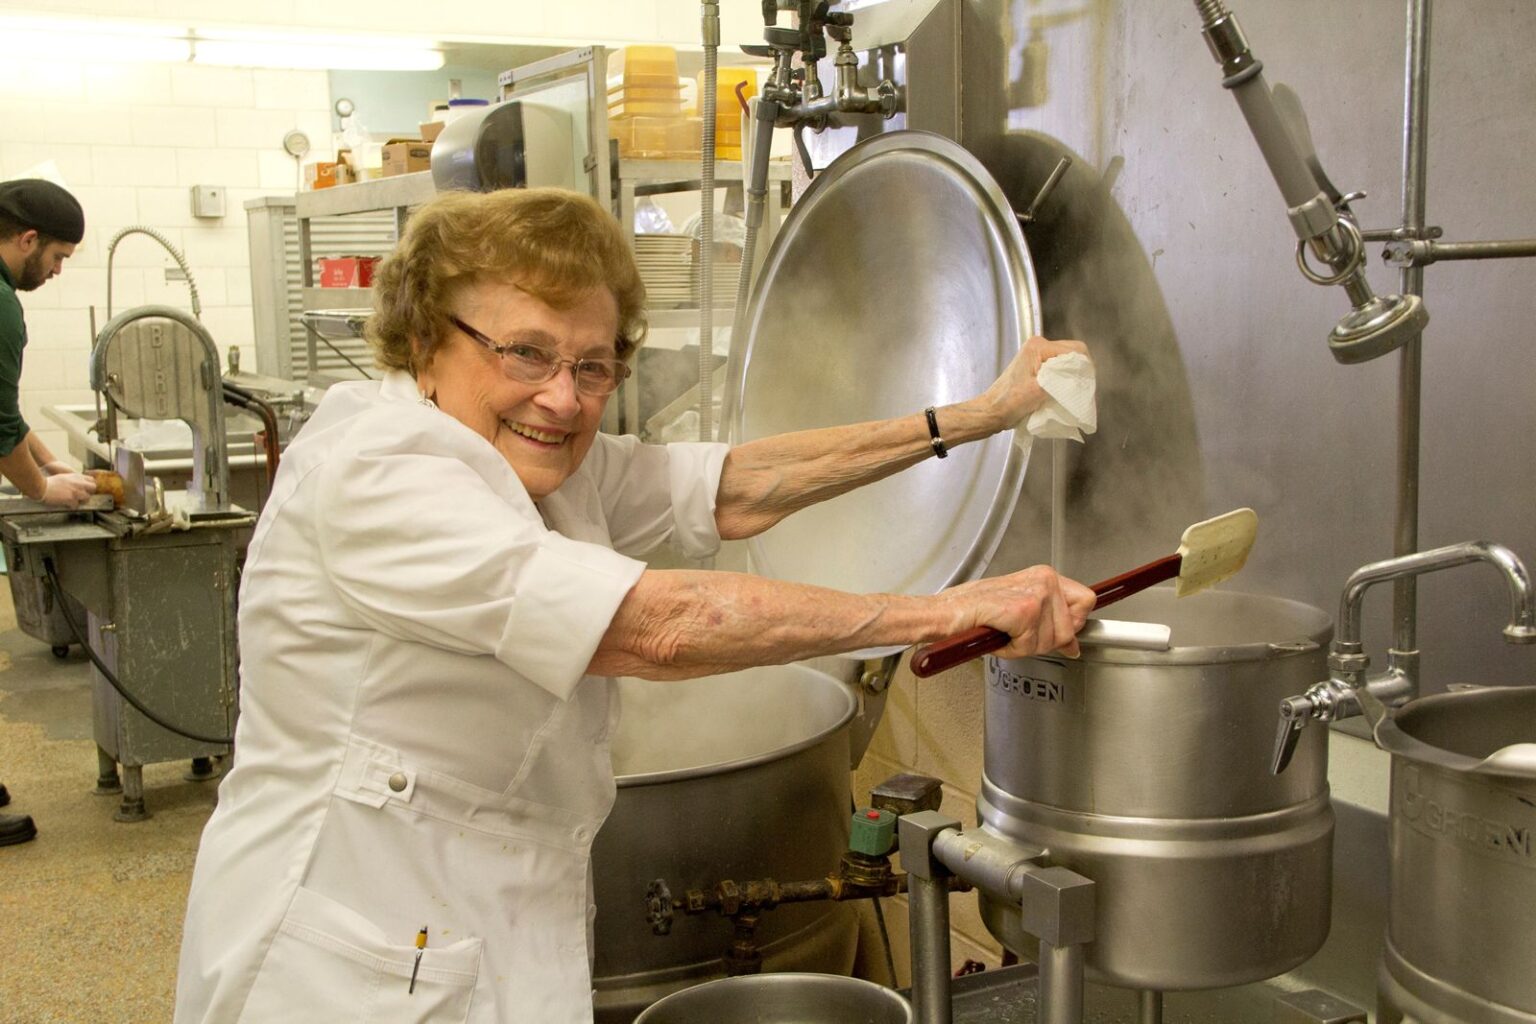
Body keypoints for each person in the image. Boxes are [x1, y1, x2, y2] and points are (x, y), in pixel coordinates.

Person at [174, 187, 1096, 1023]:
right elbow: (656, 626)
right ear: (425, 340)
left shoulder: (534, 461)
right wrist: (945, 612)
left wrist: (979, 415)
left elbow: (735, 486)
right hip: (344, 948)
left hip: (476, 925)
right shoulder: (377, 474)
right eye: (525, 352)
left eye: (593, 366)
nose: (561, 398)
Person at [0, 178, 97, 849]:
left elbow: (3, 410)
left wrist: (49, 458)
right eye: (58, 257)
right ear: (27, 240)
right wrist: (43, 488)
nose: (58, 272)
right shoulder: (3, 305)